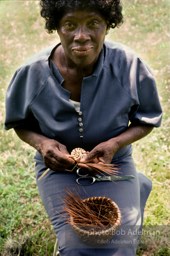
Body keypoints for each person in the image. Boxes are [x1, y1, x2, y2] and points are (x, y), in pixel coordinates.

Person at [5, 0, 162, 255]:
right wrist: (43, 144)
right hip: (60, 169)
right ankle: (135, 187)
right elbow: (20, 124)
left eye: (93, 23)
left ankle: (132, 185)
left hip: (114, 163)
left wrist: (114, 144)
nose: (81, 36)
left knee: (121, 244)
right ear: (56, 26)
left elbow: (146, 119)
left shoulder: (130, 67)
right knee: (76, 247)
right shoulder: (32, 74)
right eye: (69, 24)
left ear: (107, 26)